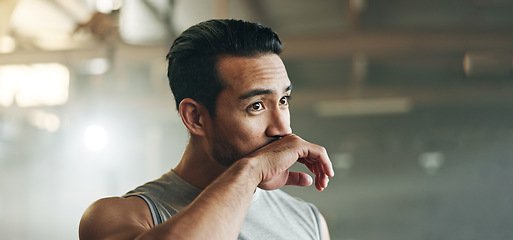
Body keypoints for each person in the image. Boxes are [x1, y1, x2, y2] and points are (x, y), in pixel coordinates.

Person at [79, 19, 335, 240]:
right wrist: (252, 169)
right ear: (196, 117)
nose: (282, 128)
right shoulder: (121, 216)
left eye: (283, 101)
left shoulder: (308, 220)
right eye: (256, 105)